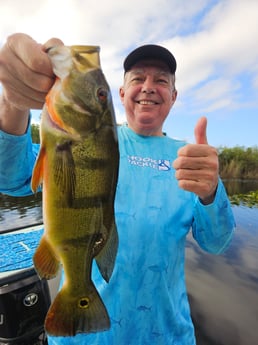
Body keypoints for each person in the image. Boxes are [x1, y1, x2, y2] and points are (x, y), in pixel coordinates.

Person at [0, 33, 235, 345]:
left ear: (174, 96)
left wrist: (210, 192)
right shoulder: (87, 139)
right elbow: (11, 178)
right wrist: (12, 101)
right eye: (138, 78)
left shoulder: (190, 159)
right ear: (122, 93)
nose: (149, 86)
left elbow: (216, 243)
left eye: (161, 81)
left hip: (165, 335)